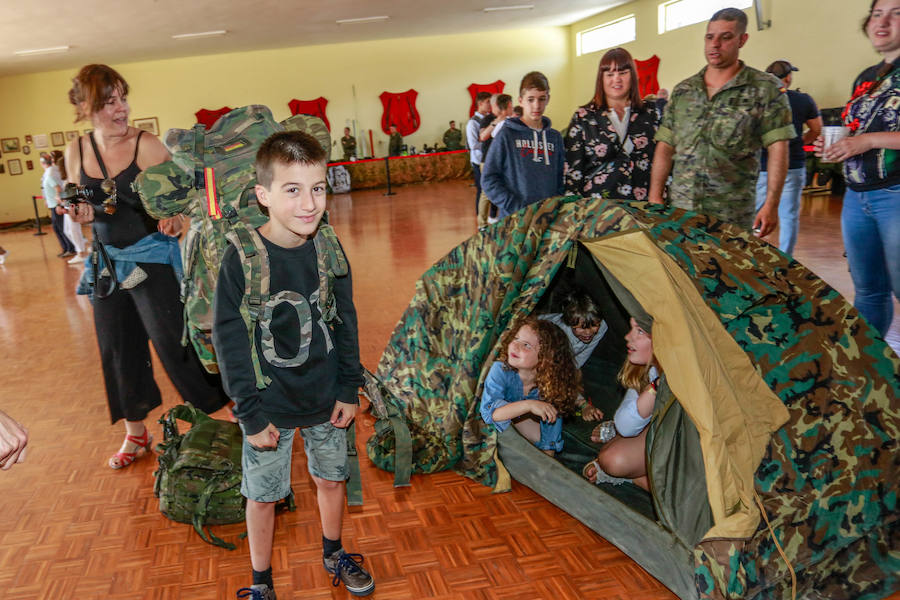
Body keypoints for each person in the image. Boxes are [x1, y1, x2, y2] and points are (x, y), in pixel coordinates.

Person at [212, 131, 373, 599]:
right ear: (263, 195)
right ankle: (260, 581)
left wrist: (349, 387)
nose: (309, 203)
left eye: (318, 188)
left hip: (325, 395)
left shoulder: (327, 247)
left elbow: (346, 318)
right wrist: (249, 412)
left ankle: (333, 552)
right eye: (292, 189)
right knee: (263, 497)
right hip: (269, 404)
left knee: (330, 477)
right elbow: (230, 339)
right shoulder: (241, 258)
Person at [65, 64, 227, 469]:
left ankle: (221, 415)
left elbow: (187, 203)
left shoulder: (148, 146)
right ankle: (136, 433)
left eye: (123, 98)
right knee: (118, 348)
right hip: (106, 266)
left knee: (176, 342)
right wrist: (80, 213)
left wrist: (176, 221)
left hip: (152, 260)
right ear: (85, 107)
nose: (122, 109)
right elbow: (74, 203)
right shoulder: (77, 150)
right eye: (109, 102)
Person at [648, 8, 795, 237]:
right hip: (681, 211)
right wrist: (655, 196)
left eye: (725, 37)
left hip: (731, 214)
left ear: (742, 40)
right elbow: (666, 146)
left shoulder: (765, 89)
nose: (715, 44)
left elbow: (778, 148)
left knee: (728, 273)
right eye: (710, 37)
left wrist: (771, 204)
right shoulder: (684, 91)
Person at [815, 0, 900, 336]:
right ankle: (872, 372)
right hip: (857, 197)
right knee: (868, 291)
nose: (883, 21)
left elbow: (869, 138)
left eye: (896, 13)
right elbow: (856, 129)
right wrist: (835, 144)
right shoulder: (868, 77)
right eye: (877, 14)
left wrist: (867, 141)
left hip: (894, 192)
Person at [564, 47, 661, 201]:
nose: (616, 79)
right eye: (609, 74)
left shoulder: (651, 113)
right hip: (599, 213)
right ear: (601, 79)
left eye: (623, 73)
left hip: (645, 211)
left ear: (633, 76)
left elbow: (663, 160)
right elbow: (571, 172)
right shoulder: (583, 118)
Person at [480, 316, 582, 456]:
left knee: (548, 418)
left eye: (526, 345)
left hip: (519, 422)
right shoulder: (500, 370)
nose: (515, 346)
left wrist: (548, 455)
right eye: (515, 339)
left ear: (546, 357)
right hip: (493, 423)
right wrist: (529, 405)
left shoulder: (549, 383)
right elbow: (489, 414)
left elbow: (552, 419)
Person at [583, 317, 659, 491]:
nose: (627, 337)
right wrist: (655, 386)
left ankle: (640, 478)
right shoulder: (647, 370)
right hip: (656, 429)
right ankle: (640, 473)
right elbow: (626, 425)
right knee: (613, 460)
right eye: (632, 328)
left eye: (640, 331)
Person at [755, 60, 822, 255]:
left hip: (762, 166)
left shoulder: (758, 100)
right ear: (788, 77)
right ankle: (786, 259)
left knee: (754, 213)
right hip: (792, 164)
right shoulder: (803, 100)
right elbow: (816, 129)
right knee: (789, 216)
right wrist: (799, 142)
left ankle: (748, 253)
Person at [481, 71, 565, 219]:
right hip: (515, 220)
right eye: (530, 99)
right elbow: (488, 179)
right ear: (520, 100)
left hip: (547, 221)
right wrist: (515, 207)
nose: (536, 105)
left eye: (541, 99)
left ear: (548, 99)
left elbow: (559, 180)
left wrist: (554, 208)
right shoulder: (507, 135)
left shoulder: (555, 138)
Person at [477, 93, 514, 228]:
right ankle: (482, 224)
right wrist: (496, 122)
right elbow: (483, 136)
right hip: (488, 160)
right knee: (486, 193)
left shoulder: (511, 120)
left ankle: (497, 218)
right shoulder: (488, 119)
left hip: (504, 161)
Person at [51, 150, 88, 264]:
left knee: (73, 230)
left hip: (71, 208)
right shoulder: (65, 179)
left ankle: (81, 252)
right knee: (68, 231)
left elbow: (71, 195)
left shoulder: (71, 179)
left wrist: (63, 204)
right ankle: (81, 248)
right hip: (67, 207)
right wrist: (60, 203)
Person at [41, 152, 76, 258]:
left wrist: (58, 204)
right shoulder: (49, 172)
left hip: (56, 204)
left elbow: (58, 188)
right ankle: (66, 248)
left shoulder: (51, 173)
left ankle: (70, 248)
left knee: (62, 228)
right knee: (57, 228)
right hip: (53, 204)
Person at [467, 92, 492, 215]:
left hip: (490, 159)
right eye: (488, 102)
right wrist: (490, 144)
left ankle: (492, 216)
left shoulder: (490, 119)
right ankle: (480, 218)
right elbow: (473, 145)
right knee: (482, 191)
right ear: (480, 103)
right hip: (479, 161)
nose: (490, 104)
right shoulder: (473, 123)